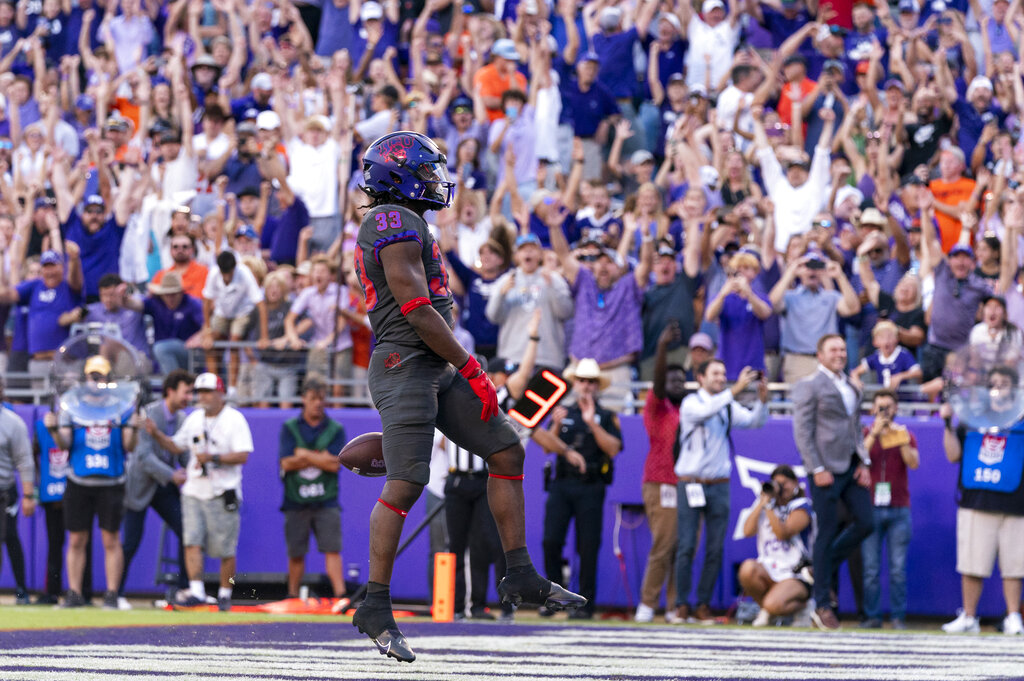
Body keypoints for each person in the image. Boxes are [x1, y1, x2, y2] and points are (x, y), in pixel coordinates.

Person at [351, 131, 584, 663]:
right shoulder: (392, 220)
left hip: (429, 362)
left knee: (506, 450)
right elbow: (415, 308)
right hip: (405, 363)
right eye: (426, 171)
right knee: (408, 481)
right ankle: (376, 604)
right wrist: (471, 365)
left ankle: (520, 574)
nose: (435, 180)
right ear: (399, 176)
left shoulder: (408, 221)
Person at [792, 333, 875, 631]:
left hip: (850, 465)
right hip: (825, 468)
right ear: (820, 355)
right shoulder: (809, 386)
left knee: (867, 522)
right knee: (826, 531)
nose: (840, 354)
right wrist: (815, 467)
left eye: (843, 348)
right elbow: (802, 431)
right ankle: (822, 606)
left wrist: (864, 461)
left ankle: (819, 568)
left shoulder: (852, 384)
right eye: (833, 349)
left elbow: (856, 428)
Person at [675, 361, 767, 623]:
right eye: (715, 374)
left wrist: (761, 401)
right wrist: (736, 389)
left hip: (719, 485)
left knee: (715, 548)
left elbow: (753, 422)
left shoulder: (726, 403)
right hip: (691, 482)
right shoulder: (691, 403)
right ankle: (682, 604)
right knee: (686, 546)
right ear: (700, 377)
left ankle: (702, 604)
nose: (721, 378)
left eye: (724, 374)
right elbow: (706, 412)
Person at [44, 355, 138, 610]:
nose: (96, 381)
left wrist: (136, 428)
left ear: (109, 379)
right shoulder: (71, 406)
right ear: (85, 377)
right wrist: (53, 430)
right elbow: (65, 443)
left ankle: (111, 594)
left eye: (101, 376)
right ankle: (74, 593)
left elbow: (129, 445)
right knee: (76, 539)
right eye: (92, 375)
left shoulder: (122, 406)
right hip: (79, 480)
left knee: (111, 539)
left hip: (112, 480)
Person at [940, 367, 1024, 635]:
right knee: (971, 562)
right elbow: (953, 455)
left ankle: (1013, 616)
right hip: (976, 500)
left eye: (1004, 384)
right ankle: (969, 616)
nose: (998, 388)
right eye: (994, 384)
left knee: (1014, 564)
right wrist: (946, 424)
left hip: (1015, 503)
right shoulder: (971, 418)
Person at [544, 358, 623, 620]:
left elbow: (613, 448)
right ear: (574, 383)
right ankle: (554, 600)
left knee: (588, 546)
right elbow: (546, 446)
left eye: (591, 381)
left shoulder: (607, 415)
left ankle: (586, 604)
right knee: (551, 541)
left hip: (591, 485)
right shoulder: (562, 412)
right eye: (582, 380)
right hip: (562, 483)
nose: (587, 386)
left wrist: (592, 423)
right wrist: (555, 425)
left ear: (597, 386)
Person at [121, 370, 193, 603]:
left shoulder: (183, 420)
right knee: (130, 541)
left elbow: (183, 455)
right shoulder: (147, 414)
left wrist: (191, 468)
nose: (189, 397)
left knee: (187, 531)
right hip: (141, 486)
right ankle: (116, 593)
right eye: (186, 392)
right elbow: (144, 457)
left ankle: (184, 590)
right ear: (170, 391)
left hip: (164, 485)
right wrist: (173, 475)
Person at [634, 323, 688, 624]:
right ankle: (647, 604)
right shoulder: (658, 406)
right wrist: (663, 349)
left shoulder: (687, 409)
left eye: (682, 378)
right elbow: (656, 384)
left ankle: (673, 607)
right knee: (664, 544)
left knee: (681, 547)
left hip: (685, 484)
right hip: (660, 482)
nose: (678, 382)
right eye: (672, 378)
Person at [278, 375, 348, 601]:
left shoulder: (335, 429)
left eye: (321, 398)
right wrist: (320, 458)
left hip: (326, 499)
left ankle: (341, 596)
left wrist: (304, 454)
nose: (318, 402)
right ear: (303, 399)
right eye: (313, 398)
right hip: (295, 499)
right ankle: (292, 595)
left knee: (332, 549)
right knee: (296, 552)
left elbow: (336, 464)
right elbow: (286, 462)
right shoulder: (289, 428)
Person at [861, 389, 919, 629]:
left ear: (896, 409)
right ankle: (872, 617)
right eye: (880, 407)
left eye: (888, 407)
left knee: (897, 569)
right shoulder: (866, 432)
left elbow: (913, 463)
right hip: (871, 506)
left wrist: (900, 439)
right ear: (873, 409)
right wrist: (875, 432)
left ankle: (898, 617)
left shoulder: (905, 433)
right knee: (871, 569)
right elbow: (858, 457)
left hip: (898, 508)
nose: (885, 411)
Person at [738, 464, 816, 627]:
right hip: (769, 569)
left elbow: (783, 533)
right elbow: (747, 531)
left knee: (773, 603)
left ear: (795, 483)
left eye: (785, 483)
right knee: (747, 569)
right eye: (777, 484)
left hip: (796, 573)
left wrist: (770, 507)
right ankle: (768, 610)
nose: (781, 488)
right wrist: (762, 502)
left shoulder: (802, 506)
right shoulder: (766, 505)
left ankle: (804, 607)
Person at [0, 375, 34, 596]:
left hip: (4, 491)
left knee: (9, 536)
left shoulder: (13, 422)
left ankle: (21, 589)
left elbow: (24, 460)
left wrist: (28, 495)